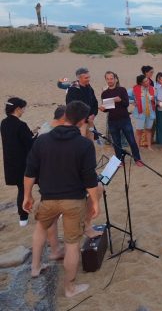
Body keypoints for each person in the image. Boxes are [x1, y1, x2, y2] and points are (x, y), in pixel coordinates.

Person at [22, 101, 103, 298]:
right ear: (83, 120)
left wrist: (27, 195)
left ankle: (35, 267)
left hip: (48, 198)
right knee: (72, 244)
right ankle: (69, 288)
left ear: (65, 116)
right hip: (73, 201)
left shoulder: (42, 140)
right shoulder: (84, 144)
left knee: (40, 228)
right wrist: (95, 202)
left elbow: (30, 171)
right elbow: (89, 178)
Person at [1, 98, 37, 226]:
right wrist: (37, 136)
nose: (24, 111)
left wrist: (31, 133)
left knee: (22, 189)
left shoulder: (4, 123)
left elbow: (16, 139)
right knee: (43, 184)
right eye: (23, 108)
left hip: (11, 163)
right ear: (17, 109)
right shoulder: (20, 125)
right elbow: (29, 144)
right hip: (25, 163)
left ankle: (23, 218)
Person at [100, 71, 143, 164]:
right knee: (116, 143)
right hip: (112, 121)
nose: (110, 81)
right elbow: (107, 109)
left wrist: (120, 100)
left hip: (124, 120)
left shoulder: (122, 90)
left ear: (115, 79)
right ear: (105, 80)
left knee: (131, 140)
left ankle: (137, 159)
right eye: (107, 79)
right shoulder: (104, 93)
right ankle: (120, 160)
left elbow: (126, 104)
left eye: (111, 78)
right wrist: (102, 109)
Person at [65, 67, 98, 138]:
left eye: (89, 77)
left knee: (90, 143)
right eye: (86, 78)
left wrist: (94, 114)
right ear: (79, 78)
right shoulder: (73, 89)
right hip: (80, 122)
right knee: (81, 142)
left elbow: (95, 102)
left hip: (90, 121)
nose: (88, 79)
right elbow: (71, 107)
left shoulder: (89, 87)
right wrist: (83, 118)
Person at [132, 74, 156, 151]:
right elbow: (125, 97)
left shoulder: (153, 88)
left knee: (149, 129)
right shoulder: (135, 89)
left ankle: (149, 146)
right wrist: (133, 102)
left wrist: (153, 99)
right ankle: (137, 147)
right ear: (141, 83)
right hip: (140, 113)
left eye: (147, 80)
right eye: (145, 81)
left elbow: (157, 99)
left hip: (150, 113)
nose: (147, 82)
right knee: (139, 130)